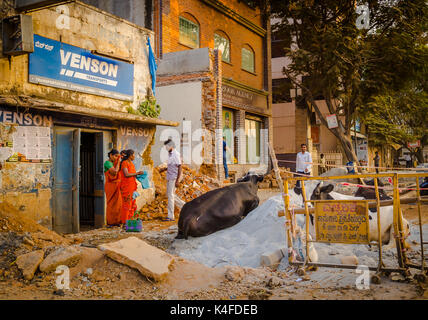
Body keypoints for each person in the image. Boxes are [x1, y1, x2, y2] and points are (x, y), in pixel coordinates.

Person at [158, 139, 182, 222]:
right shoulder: (170, 154)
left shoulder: (176, 154)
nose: (166, 148)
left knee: (171, 196)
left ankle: (170, 216)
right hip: (170, 176)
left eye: (167, 146)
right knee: (171, 195)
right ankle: (184, 206)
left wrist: (178, 180)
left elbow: (179, 167)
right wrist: (164, 169)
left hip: (174, 177)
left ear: (171, 146)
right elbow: (172, 165)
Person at [119, 149, 144, 223]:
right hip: (126, 187)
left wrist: (140, 175)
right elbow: (126, 174)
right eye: (133, 155)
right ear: (130, 156)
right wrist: (137, 173)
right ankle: (125, 223)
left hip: (132, 186)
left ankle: (131, 222)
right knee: (127, 205)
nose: (134, 157)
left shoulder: (131, 164)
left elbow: (132, 174)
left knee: (132, 204)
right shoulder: (124, 163)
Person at [104, 149, 123, 226]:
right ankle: (111, 222)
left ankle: (117, 221)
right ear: (111, 155)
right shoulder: (107, 163)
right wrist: (118, 162)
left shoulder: (114, 163)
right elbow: (114, 172)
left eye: (117, 157)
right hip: (110, 185)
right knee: (111, 204)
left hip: (116, 185)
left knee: (118, 204)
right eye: (115, 156)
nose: (116, 158)